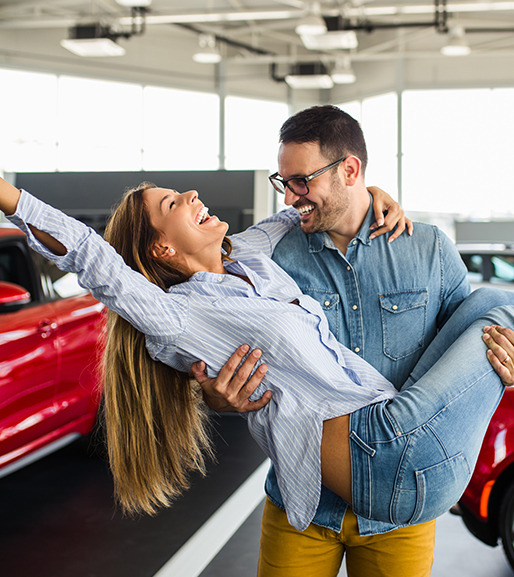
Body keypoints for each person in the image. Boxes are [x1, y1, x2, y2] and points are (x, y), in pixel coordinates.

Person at [1, 175, 514, 537]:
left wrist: (366, 192)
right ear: (161, 250)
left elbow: (300, 209)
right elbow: (89, 255)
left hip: (394, 422)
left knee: (492, 303)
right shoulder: (174, 314)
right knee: (501, 310)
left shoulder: (248, 258)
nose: (191, 194)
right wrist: (8, 196)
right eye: (172, 204)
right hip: (378, 454)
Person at [193, 104, 514, 577]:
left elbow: (465, 356)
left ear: (350, 169)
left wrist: (505, 364)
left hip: (397, 514)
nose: (290, 197)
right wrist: (215, 397)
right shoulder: (269, 259)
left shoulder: (429, 250)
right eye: (283, 182)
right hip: (301, 501)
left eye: (301, 181)